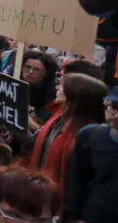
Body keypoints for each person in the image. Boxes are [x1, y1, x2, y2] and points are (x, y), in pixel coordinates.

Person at [64, 84, 118, 223]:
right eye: (110, 106)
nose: (113, 114)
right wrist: (77, 221)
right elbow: (78, 179)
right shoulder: (91, 136)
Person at [29, 73, 108, 206]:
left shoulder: (89, 136)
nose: (57, 88)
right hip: (39, 192)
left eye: (62, 86)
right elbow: (33, 142)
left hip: (64, 204)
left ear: (75, 95)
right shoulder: (58, 118)